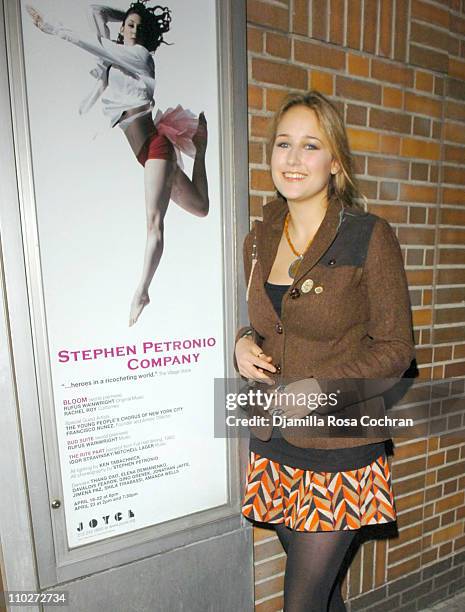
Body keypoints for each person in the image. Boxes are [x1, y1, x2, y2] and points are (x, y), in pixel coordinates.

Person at [234, 91, 415, 611]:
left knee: (302, 602)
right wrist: (241, 345)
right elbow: (266, 326)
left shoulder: (367, 236)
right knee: (320, 594)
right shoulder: (259, 238)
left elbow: (396, 349)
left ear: (334, 161)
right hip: (274, 439)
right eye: (284, 144)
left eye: (310, 145)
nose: (293, 159)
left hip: (338, 446)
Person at [27, 2, 209, 326]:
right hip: (148, 152)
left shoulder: (139, 57)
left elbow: (91, 43)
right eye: (129, 25)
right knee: (200, 207)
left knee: (154, 223)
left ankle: (142, 290)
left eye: (140, 27)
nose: (133, 31)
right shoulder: (114, 55)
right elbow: (95, 10)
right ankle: (202, 150)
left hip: (155, 146)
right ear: (122, 26)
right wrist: (126, 15)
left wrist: (53, 28)